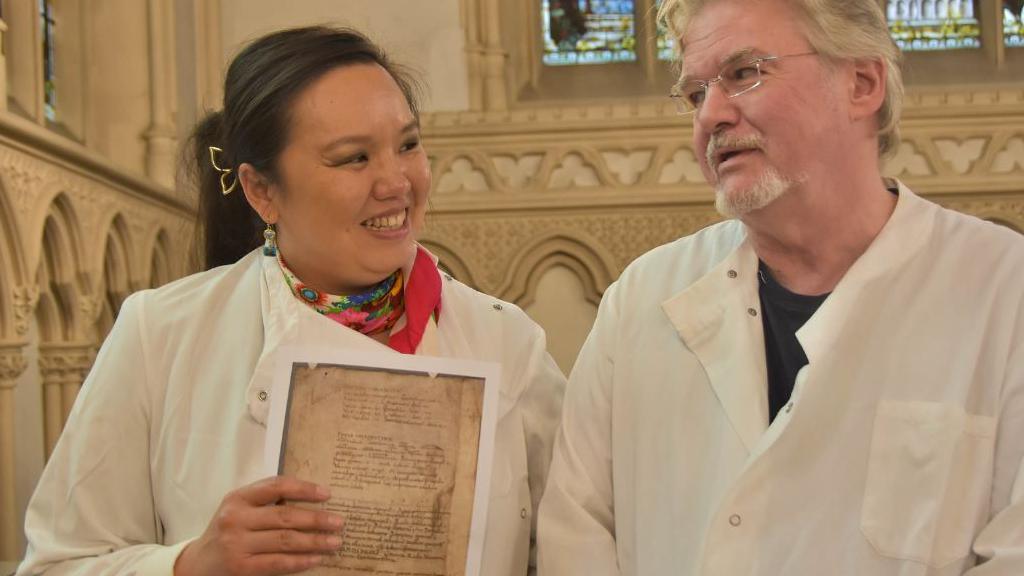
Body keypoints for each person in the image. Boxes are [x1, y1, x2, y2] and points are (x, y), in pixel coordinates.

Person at [18, 26, 564, 576]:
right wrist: (190, 564)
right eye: (353, 158)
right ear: (262, 191)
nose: (396, 181)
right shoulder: (159, 336)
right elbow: (55, 565)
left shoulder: (505, 341)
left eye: (408, 144)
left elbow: (573, 549)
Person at [537, 0, 1024, 574]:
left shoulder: (1004, 291)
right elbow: (576, 533)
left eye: (743, 74)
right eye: (695, 93)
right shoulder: (641, 301)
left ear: (862, 84)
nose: (710, 115)